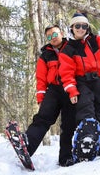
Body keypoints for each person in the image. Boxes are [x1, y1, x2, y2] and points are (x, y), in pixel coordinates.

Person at [59, 12, 100, 161]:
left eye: (84, 26)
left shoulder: (94, 42)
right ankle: (85, 138)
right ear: (72, 27)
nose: (81, 29)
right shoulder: (68, 48)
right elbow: (66, 72)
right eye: (77, 26)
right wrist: (72, 90)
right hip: (81, 82)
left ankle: (95, 145)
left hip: (97, 82)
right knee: (86, 109)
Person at [24, 25, 76, 167]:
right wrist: (41, 97)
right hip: (53, 90)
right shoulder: (45, 55)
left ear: (61, 33)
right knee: (42, 118)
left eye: (54, 35)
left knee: (68, 125)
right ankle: (27, 147)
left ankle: (66, 158)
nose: (52, 38)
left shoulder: (71, 47)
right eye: (49, 37)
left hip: (69, 89)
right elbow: (41, 78)